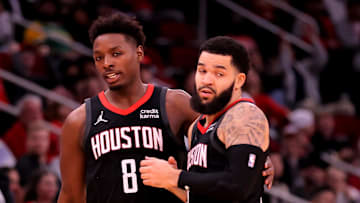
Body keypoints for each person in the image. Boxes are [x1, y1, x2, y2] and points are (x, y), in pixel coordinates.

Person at [58, 13, 274, 203]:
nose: (107, 63)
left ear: (139, 53)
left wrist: (255, 156)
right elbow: (71, 195)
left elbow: (227, 131)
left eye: (116, 54)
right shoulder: (79, 120)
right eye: (99, 57)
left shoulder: (175, 103)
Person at [140, 36, 270, 203]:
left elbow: (238, 186)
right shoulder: (195, 126)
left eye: (219, 73)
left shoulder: (244, 115)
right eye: (202, 71)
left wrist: (176, 176)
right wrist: (169, 183)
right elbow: (198, 196)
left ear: (238, 80)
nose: (207, 80)